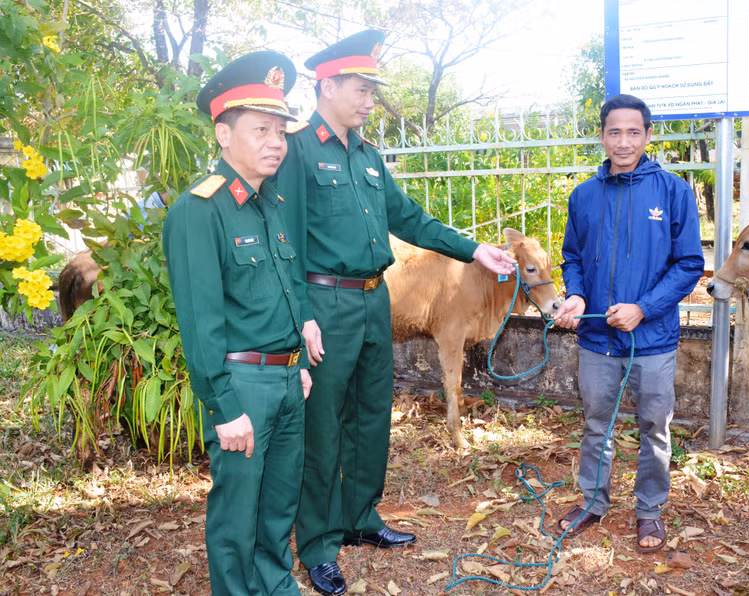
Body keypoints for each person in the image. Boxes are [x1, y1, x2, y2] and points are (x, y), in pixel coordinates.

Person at [277, 29, 516, 596]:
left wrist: (474, 248)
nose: (369, 100)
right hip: (325, 301)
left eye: (371, 90)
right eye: (361, 89)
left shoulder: (366, 155)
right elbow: (283, 241)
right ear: (328, 85)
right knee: (323, 427)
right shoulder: (297, 151)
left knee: (370, 416)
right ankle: (317, 544)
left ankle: (361, 518)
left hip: (370, 297)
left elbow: (409, 219)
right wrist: (303, 314)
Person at [162, 51, 313, 595]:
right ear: (223, 135)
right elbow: (201, 323)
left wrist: (296, 359)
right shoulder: (199, 211)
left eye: (281, 130)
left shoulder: (268, 204)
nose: (276, 141)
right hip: (240, 385)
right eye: (261, 130)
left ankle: (276, 588)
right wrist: (225, 407)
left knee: (278, 510)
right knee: (235, 518)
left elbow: (282, 293)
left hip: (287, 379)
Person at [553, 94, 704, 553]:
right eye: (614, 132)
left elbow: (689, 263)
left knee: (654, 427)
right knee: (597, 424)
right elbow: (573, 257)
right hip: (598, 339)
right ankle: (593, 503)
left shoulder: (674, 191)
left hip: (652, 338)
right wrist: (577, 294)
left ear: (648, 135)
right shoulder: (583, 195)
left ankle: (649, 511)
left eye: (633, 132)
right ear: (602, 135)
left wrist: (643, 307)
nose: (623, 141)